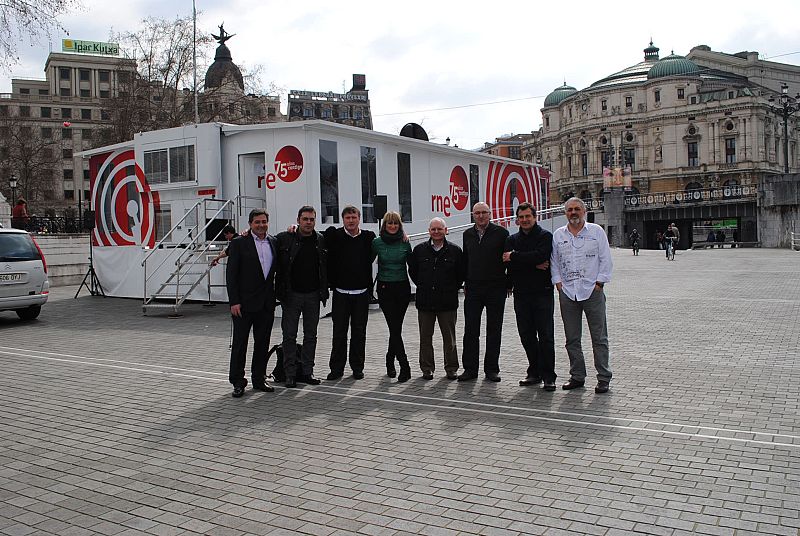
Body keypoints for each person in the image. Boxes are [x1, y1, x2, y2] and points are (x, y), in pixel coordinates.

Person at [551, 197, 613, 394]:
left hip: (592, 291)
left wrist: (599, 283)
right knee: (572, 338)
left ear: (584, 211)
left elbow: (605, 258)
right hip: (568, 292)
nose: (573, 213)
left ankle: (603, 377)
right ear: (565, 213)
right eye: (570, 210)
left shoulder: (596, 232)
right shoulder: (558, 235)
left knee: (599, 337)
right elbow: (554, 260)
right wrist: (558, 283)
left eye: (577, 209)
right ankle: (577, 375)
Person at [503, 203, 556, 391]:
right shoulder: (512, 239)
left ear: (535, 217)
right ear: (517, 219)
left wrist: (516, 257)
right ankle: (534, 372)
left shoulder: (545, 236)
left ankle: (549, 375)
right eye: (521, 217)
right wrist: (532, 263)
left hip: (543, 293)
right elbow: (510, 264)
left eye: (528, 216)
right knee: (526, 335)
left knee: (546, 335)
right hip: (521, 294)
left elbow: (542, 255)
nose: (524, 220)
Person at [226, 209, 277, 398]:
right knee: (240, 345)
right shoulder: (239, 243)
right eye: (257, 222)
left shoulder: (273, 242)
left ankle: (258, 378)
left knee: (262, 343)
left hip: (265, 304)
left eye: (264, 221)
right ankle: (237, 382)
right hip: (243, 305)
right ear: (250, 223)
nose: (261, 225)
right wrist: (234, 301)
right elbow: (231, 275)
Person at [275, 206, 329, 388]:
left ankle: (307, 372)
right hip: (291, 296)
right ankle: (290, 374)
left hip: (313, 295)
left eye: (311, 219)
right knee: (289, 335)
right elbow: (262, 242)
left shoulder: (320, 239)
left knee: (311, 335)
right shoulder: (285, 238)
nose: (308, 222)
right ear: (298, 220)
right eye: (305, 219)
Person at [409, 217, 465, 381]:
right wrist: (423, 285)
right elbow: (414, 271)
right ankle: (427, 369)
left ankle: (451, 369)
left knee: (450, 339)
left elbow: (460, 275)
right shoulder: (419, 250)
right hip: (425, 302)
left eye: (439, 229)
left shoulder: (455, 251)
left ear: (445, 230)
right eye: (433, 229)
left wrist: (450, 288)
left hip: (447, 302)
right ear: (429, 231)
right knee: (425, 338)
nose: (436, 232)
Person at [324, 206, 377, 381]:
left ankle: (357, 367)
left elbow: (386, 242)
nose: (351, 220)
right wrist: (292, 228)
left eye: (354, 217)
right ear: (343, 219)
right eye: (347, 217)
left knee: (359, 332)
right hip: (341, 293)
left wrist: (404, 236)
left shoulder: (369, 237)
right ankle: (336, 369)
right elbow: (312, 236)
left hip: (361, 294)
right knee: (339, 332)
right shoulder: (335, 236)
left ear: (359, 218)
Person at [459, 202, 510, 382]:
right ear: (473, 215)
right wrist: (464, 282)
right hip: (473, 288)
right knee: (470, 330)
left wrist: (508, 284)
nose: (480, 216)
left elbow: (508, 261)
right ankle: (470, 369)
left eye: (484, 213)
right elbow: (466, 260)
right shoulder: (468, 234)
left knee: (494, 330)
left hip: (496, 288)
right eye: (477, 213)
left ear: (490, 214)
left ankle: (492, 369)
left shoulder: (502, 233)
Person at [372, 211, 413, 382]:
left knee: (396, 328)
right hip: (385, 287)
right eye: (389, 223)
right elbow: (364, 261)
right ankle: (404, 365)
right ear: (384, 225)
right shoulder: (377, 243)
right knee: (393, 326)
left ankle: (390, 359)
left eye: (396, 223)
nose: (393, 226)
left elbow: (413, 265)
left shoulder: (405, 242)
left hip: (402, 287)